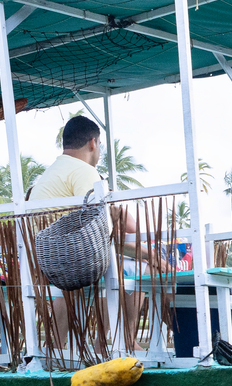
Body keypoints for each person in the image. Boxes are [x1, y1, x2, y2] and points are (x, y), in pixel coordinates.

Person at [31, 116, 172, 351]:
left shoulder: (49, 175)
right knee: (139, 269)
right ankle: (123, 340)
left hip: (46, 263)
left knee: (124, 264)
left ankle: (57, 345)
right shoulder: (84, 172)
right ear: (93, 143)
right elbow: (103, 239)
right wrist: (150, 256)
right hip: (72, 263)